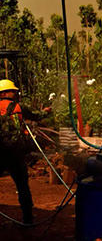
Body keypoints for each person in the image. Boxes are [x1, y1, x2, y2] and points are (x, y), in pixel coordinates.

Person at [0, 79, 51, 225]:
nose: (15, 93)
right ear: (5, 92)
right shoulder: (17, 107)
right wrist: (46, 112)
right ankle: (27, 218)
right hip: (16, 153)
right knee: (22, 186)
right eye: (13, 91)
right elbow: (36, 116)